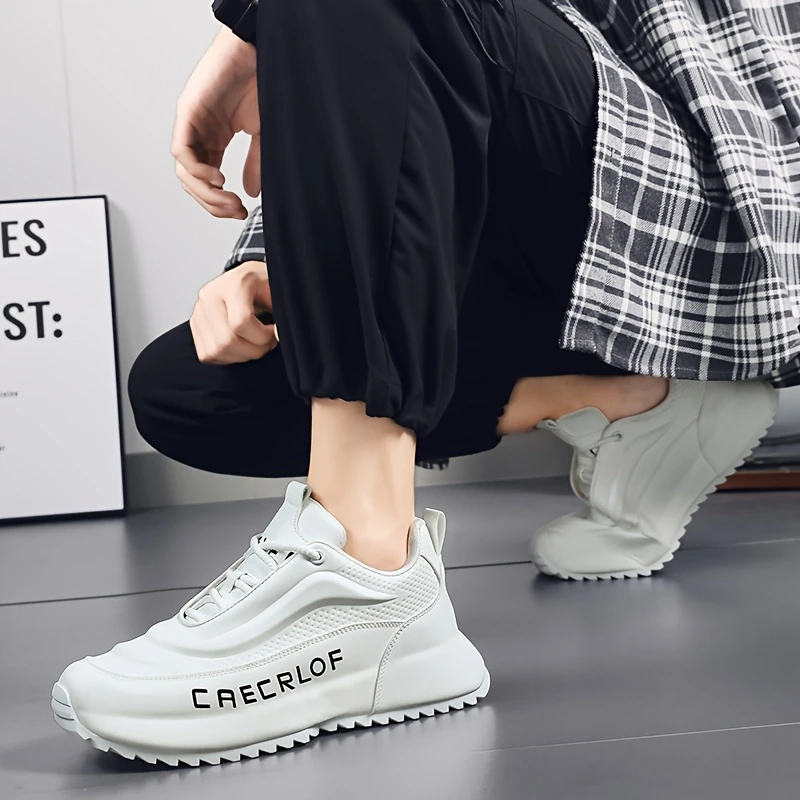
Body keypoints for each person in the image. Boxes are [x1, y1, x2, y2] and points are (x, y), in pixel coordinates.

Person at [51, 0, 799, 766]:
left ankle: (367, 572)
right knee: (187, 387)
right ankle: (622, 397)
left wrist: (243, 32)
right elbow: (384, 88)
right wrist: (277, 261)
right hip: (513, 197)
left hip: (690, 166)